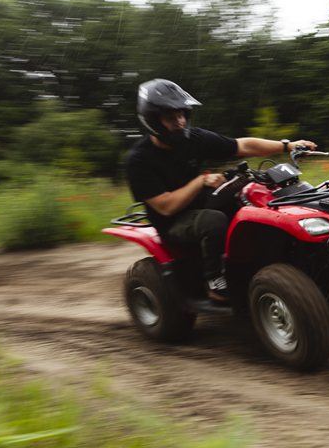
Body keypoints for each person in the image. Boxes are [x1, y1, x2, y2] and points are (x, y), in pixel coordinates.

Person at [125, 78, 316, 312]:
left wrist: (288, 146)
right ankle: (214, 281)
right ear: (153, 120)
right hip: (173, 221)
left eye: (182, 114)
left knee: (254, 197)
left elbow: (242, 146)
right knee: (214, 221)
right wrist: (201, 181)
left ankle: (285, 259)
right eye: (171, 117)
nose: (180, 121)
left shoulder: (192, 138)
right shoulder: (139, 161)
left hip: (200, 203)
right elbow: (166, 206)